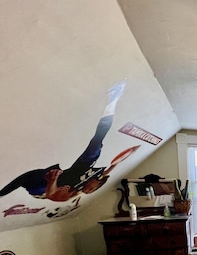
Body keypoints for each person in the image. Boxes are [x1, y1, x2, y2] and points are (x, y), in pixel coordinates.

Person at [0, 80, 130, 202]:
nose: (88, 191)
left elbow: (52, 196)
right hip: (66, 174)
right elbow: (110, 169)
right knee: (96, 144)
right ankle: (113, 100)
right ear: (98, 183)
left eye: (89, 191)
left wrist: (53, 180)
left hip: (40, 190)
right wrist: (124, 157)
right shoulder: (99, 175)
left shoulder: (73, 192)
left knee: (28, 178)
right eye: (92, 189)